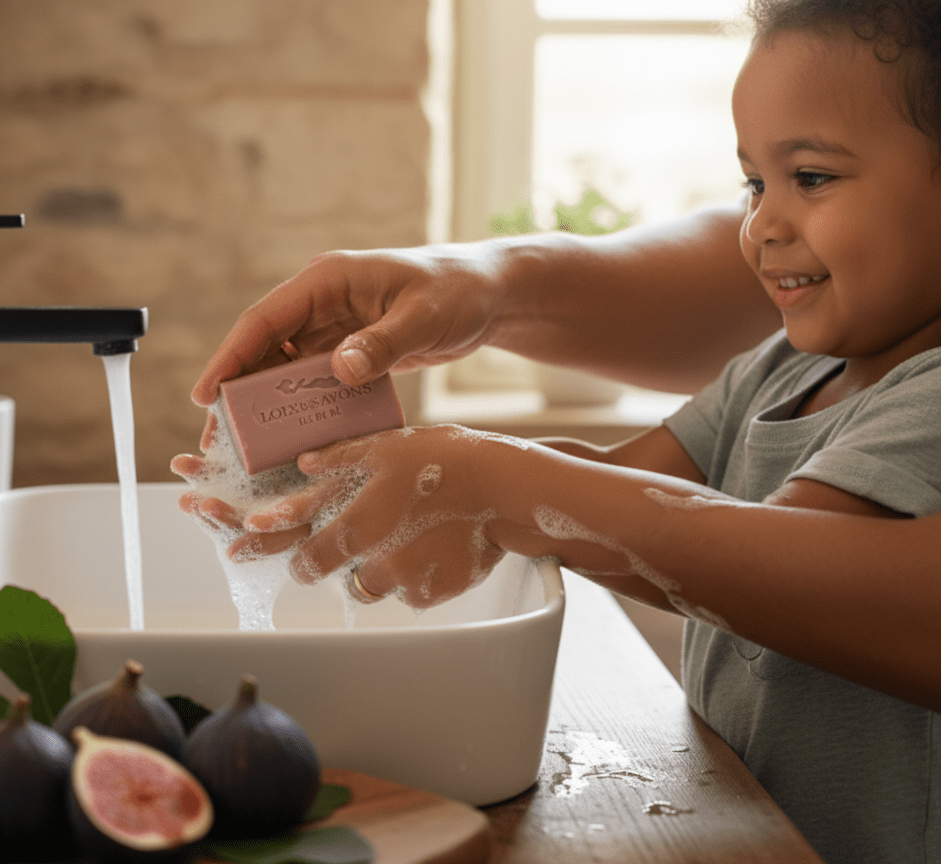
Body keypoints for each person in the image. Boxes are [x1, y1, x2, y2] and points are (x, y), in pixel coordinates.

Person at [173, 2, 941, 861]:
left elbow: (788, 563)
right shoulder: (781, 370)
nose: (761, 224)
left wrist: (497, 484)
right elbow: (622, 484)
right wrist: (370, 480)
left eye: (813, 178)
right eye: (753, 185)